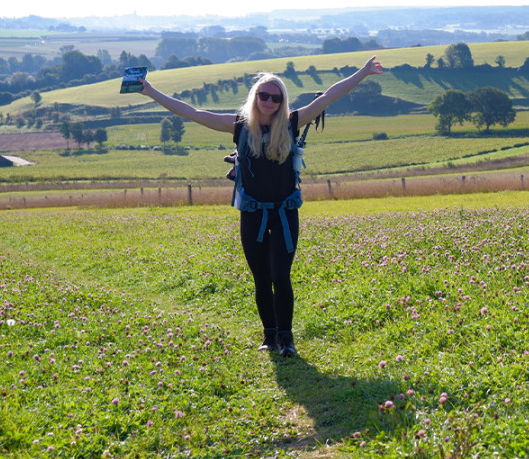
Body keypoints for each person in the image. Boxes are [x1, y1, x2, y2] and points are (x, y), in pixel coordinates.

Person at [137, 56, 383, 356]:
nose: (269, 101)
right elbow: (192, 112)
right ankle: (269, 335)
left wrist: (364, 72)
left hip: (284, 213)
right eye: (263, 95)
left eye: (275, 97)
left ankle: (286, 338)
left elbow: (332, 94)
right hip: (252, 213)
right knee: (261, 278)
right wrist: (150, 91)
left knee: (281, 274)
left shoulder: (292, 122)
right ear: (255, 97)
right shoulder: (239, 126)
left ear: (282, 101)